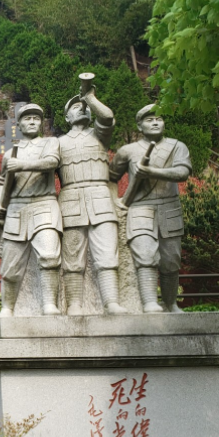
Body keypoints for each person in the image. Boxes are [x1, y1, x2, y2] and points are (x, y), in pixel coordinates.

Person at [110, 105, 192, 313]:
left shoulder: (176, 146)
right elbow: (110, 177)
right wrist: (116, 202)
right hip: (139, 209)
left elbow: (182, 172)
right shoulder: (127, 151)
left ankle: (171, 303)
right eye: (149, 120)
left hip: (169, 207)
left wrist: (150, 171)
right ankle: (149, 303)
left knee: (171, 260)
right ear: (139, 125)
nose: (155, 122)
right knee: (145, 255)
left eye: (159, 118)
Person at [58, 80, 128, 315]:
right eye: (75, 107)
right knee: (72, 257)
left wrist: (89, 98)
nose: (81, 108)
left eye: (83, 106)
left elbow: (107, 117)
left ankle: (111, 303)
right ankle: (75, 304)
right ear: (66, 118)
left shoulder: (99, 135)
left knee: (107, 254)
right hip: (70, 201)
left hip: (100, 199)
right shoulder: (57, 144)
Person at [0, 103, 62, 318]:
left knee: (50, 256)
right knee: (10, 267)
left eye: (36, 118)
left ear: (42, 123)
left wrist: (21, 165)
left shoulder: (50, 143)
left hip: (44, 204)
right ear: (19, 124)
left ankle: (49, 304)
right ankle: (7, 308)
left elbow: (51, 162)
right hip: (16, 208)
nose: (32, 122)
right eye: (27, 118)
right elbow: (3, 181)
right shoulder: (9, 154)